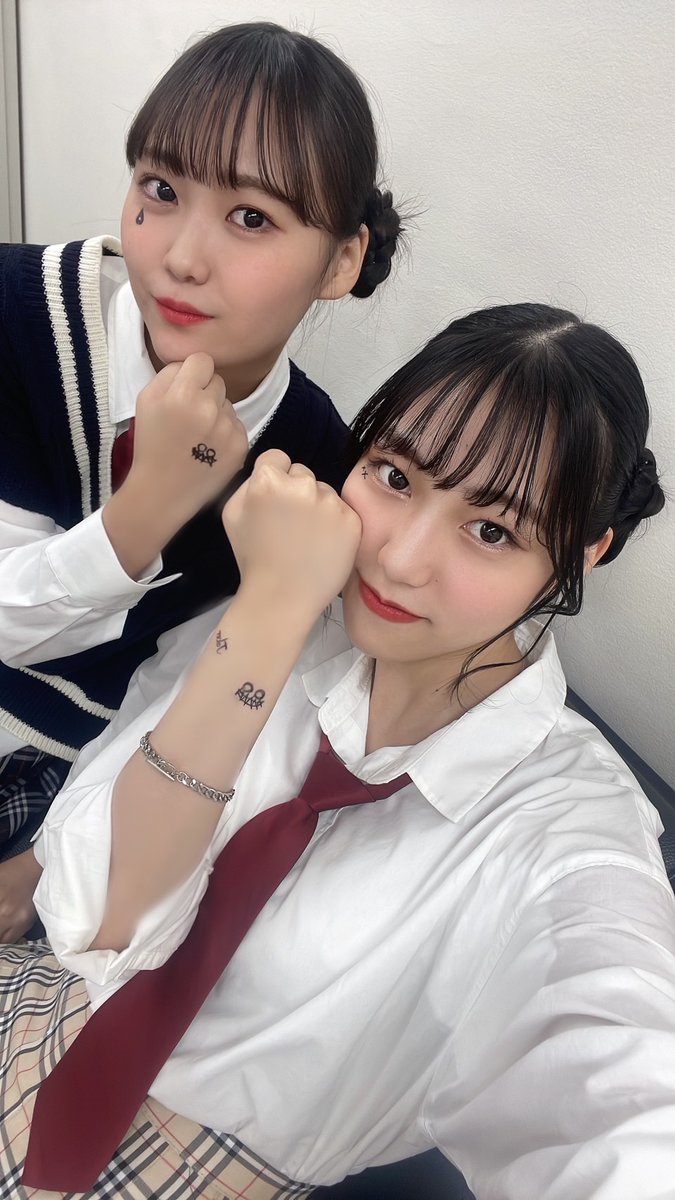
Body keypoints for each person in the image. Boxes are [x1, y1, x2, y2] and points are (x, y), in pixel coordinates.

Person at [2, 303, 673, 1200]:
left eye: (492, 531)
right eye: (394, 475)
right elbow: (100, 920)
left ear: (582, 555)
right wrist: (268, 613)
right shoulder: (283, 617)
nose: (398, 560)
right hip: (40, 1013)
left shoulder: (567, 835)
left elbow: (618, 1097)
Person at [0, 21, 403, 940]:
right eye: (160, 189)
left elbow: (198, 689)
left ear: (341, 260)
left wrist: (47, 857)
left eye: (251, 218)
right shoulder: (19, 316)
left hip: (68, 787)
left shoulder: (309, 464)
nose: (181, 256)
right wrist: (142, 516)